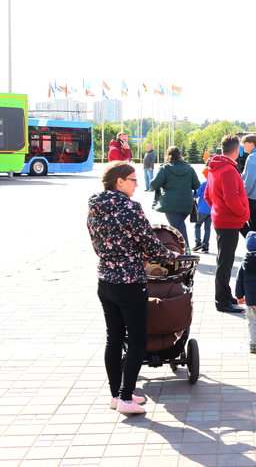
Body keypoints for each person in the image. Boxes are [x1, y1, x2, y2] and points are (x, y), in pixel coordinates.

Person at [87, 161, 178, 415]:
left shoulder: (94, 207)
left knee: (114, 338)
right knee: (138, 339)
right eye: (133, 180)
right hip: (130, 283)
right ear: (120, 181)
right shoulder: (130, 208)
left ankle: (116, 395)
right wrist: (169, 256)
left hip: (105, 281)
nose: (137, 184)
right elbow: (150, 244)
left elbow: (97, 245)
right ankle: (126, 397)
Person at [205, 135, 249, 313]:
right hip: (229, 220)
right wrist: (244, 212)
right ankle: (222, 301)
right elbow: (232, 199)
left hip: (222, 218)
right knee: (225, 262)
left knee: (224, 260)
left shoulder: (215, 168)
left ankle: (224, 295)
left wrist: (218, 209)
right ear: (237, 150)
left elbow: (208, 196)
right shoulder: (228, 170)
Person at [150, 146, 201, 249]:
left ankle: (186, 253)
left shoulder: (165, 168)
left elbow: (153, 185)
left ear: (168, 155)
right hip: (187, 204)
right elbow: (196, 185)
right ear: (180, 155)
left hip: (170, 205)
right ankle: (177, 250)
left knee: (179, 227)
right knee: (177, 226)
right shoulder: (189, 168)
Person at [193, 167, 212, 253]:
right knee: (207, 228)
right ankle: (205, 246)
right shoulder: (214, 183)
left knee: (197, 225)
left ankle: (198, 242)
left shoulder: (204, 183)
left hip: (202, 209)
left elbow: (196, 195)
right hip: (211, 210)